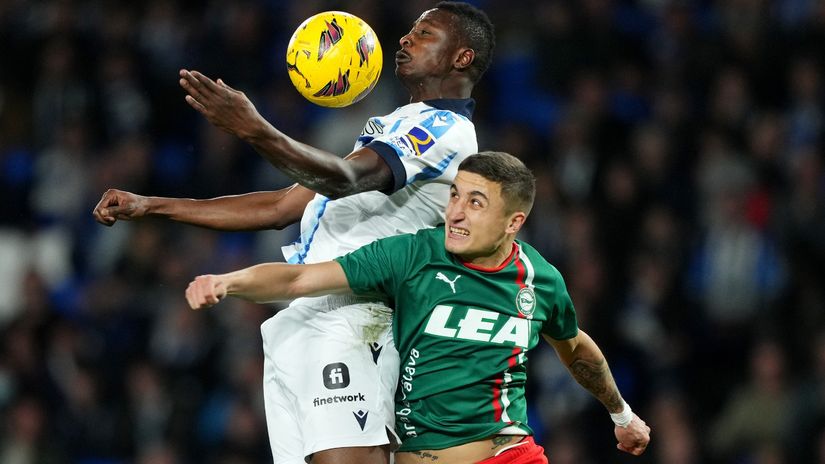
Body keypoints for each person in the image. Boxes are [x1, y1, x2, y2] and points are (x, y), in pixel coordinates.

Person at [92, 3, 495, 463]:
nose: (404, 40)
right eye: (408, 31)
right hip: (300, 320)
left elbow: (343, 178)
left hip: (355, 319)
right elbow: (280, 206)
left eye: (424, 33)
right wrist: (150, 206)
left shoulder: (446, 131)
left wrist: (254, 129)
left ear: (462, 58)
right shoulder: (398, 125)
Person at [185, 151, 652, 463]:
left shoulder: (540, 279)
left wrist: (621, 414)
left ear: (514, 222)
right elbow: (301, 276)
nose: (456, 212)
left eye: (475, 202)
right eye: (454, 195)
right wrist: (228, 281)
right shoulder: (413, 254)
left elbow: (574, 347)